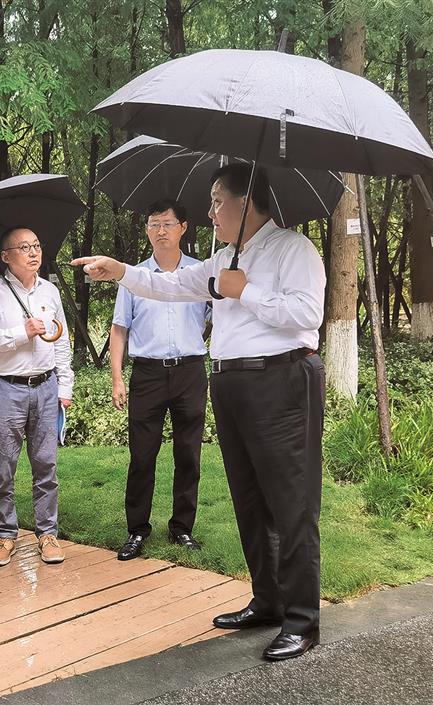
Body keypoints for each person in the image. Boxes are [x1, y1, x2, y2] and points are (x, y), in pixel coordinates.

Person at [74, 163, 326, 662]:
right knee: (250, 500)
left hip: (281, 381)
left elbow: (307, 315)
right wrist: (121, 271)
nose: (209, 211)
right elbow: (175, 285)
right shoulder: (225, 256)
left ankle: (302, 619)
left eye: (216, 201)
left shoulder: (293, 249)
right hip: (232, 384)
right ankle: (269, 599)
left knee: (290, 503)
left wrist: (243, 290)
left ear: (245, 201)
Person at [110, 198, 210, 561]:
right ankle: (137, 530)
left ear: (183, 227)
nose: (160, 230)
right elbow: (119, 329)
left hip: (189, 371)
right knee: (142, 455)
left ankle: (182, 527)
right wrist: (117, 378)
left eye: (167, 223)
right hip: (148, 373)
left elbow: (218, 316)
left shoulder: (202, 273)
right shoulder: (134, 276)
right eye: (154, 224)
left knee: (189, 454)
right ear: (147, 230)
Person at [0, 227, 73, 568]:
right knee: (3, 467)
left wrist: (64, 386)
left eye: (37, 246)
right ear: (6, 256)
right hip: (6, 389)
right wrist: (20, 333)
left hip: (45, 387)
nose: (33, 253)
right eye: (24, 247)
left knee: (46, 464)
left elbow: (61, 342)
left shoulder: (50, 291)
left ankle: (48, 533)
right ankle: (4, 535)